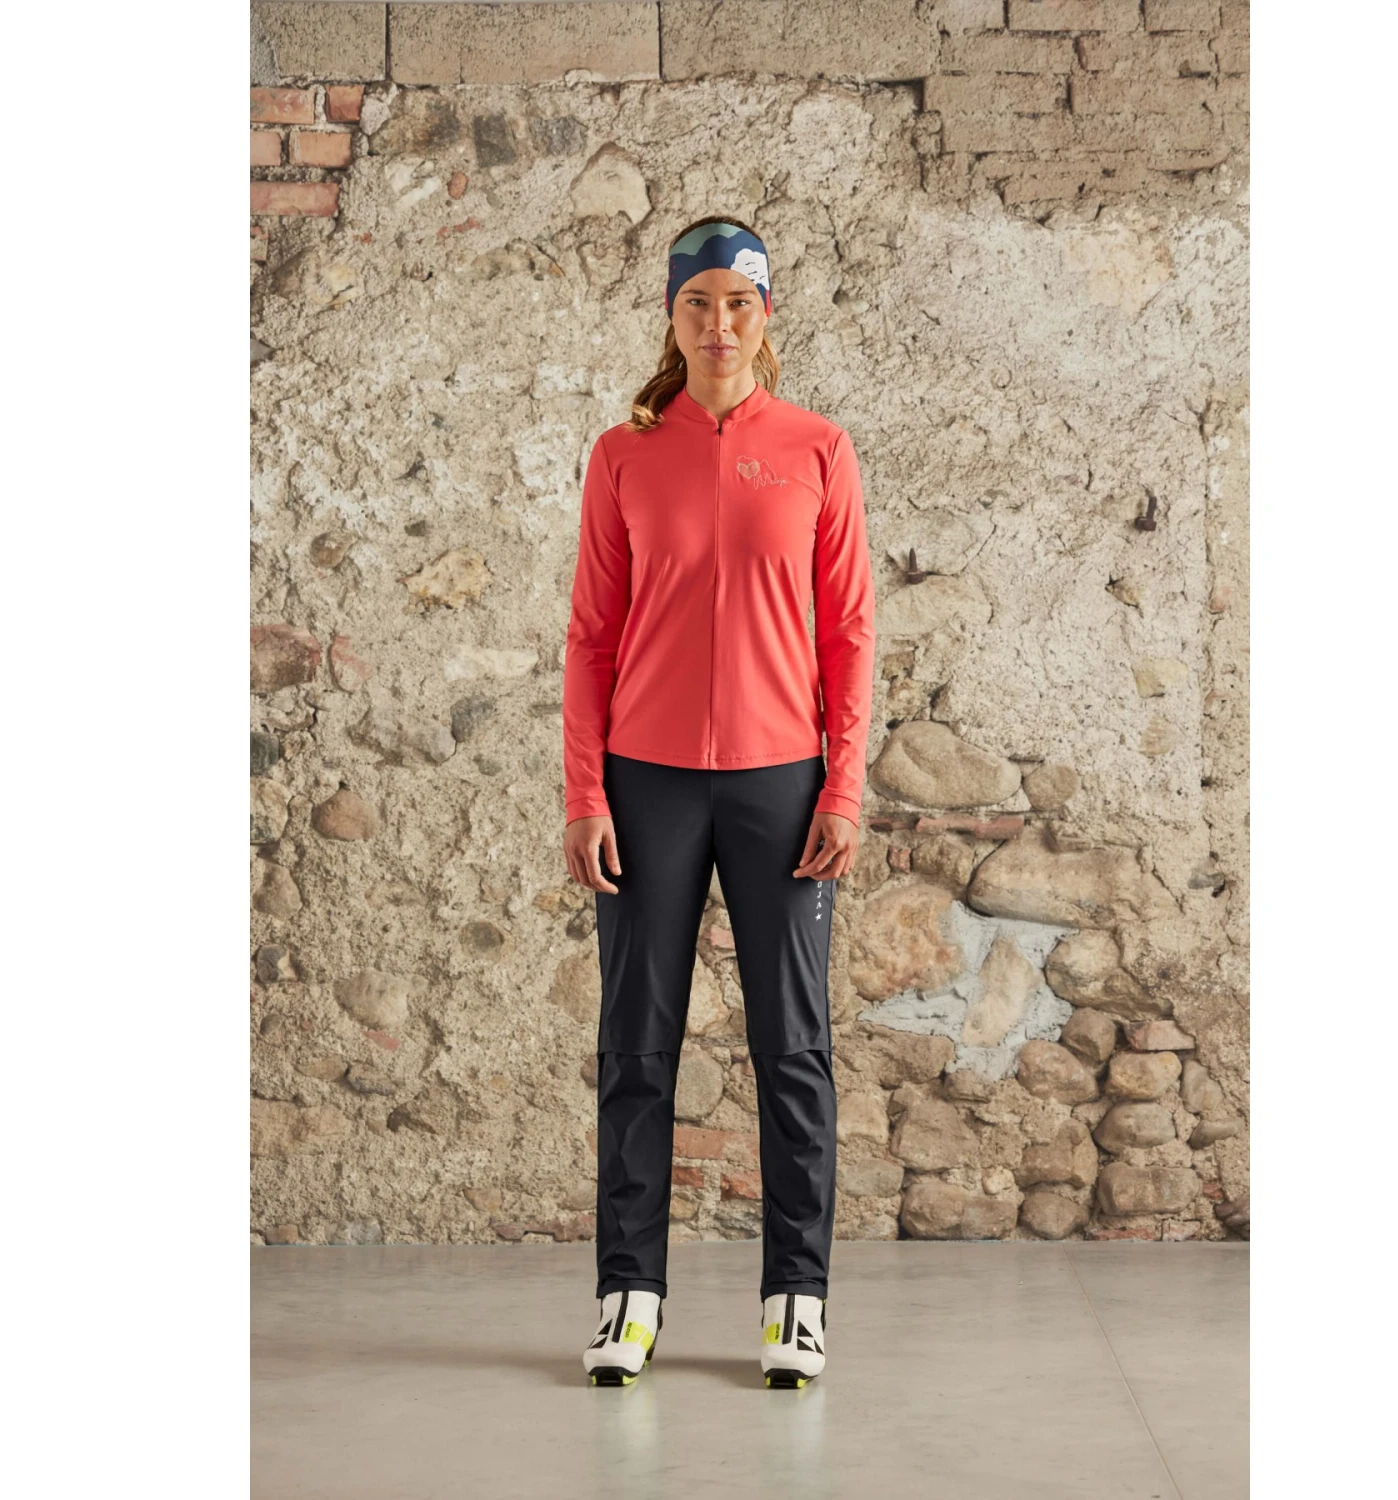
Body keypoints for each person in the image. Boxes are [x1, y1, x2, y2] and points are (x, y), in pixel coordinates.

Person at [562, 216, 876, 1389]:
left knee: (792, 1046)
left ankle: (796, 1302)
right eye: (697, 303)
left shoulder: (818, 450)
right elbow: (591, 635)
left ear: (764, 314)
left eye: (738, 302)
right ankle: (628, 1299)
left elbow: (849, 632)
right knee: (636, 1046)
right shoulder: (623, 456)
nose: (718, 324)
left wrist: (842, 785)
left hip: (779, 783)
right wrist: (584, 791)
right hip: (643, 785)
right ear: (672, 316)